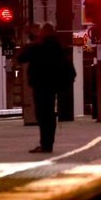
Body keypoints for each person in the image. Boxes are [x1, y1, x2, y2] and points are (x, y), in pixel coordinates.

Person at [17, 23, 72, 154]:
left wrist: (30, 42)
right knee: (50, 114)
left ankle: (45, 144)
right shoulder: (57, 46)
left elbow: (21, 57)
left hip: (40, 84)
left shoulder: (38, 46)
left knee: (42, 115)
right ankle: (48, 144)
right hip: (53, 85)